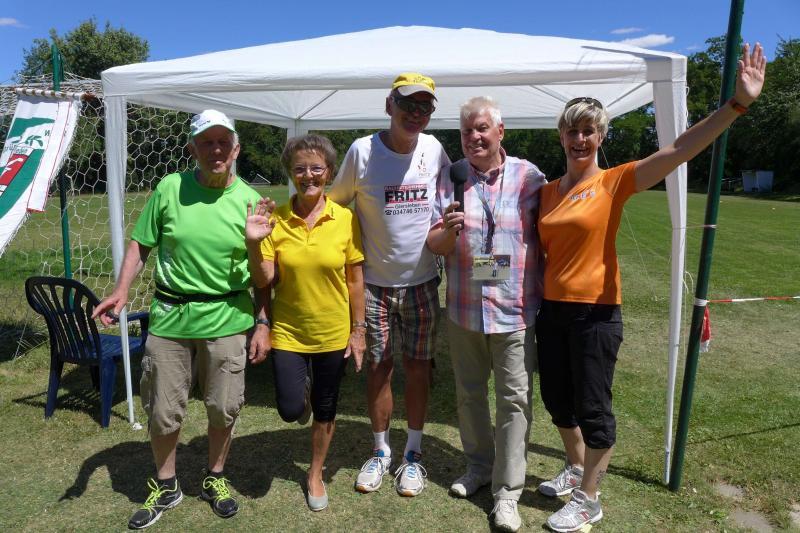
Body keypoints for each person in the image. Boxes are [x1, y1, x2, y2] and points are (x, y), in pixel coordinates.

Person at [535, 43, 766, 532]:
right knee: (557, 400)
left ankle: (589, 499)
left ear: (601, 136)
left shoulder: (614, 181)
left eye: (588, 130)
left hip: (596, 313)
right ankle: (575, 467)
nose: (580, 139)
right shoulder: (548, 191)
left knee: (593, 408)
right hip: (551, 311)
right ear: (561, 136)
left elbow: (678, 150)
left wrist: (737, 105)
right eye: (572, 130)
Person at [93, 109, 268, 529]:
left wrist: (263, 320)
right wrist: (121, 290)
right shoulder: (169, 188)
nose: (215, 150)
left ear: (236, 148)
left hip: (227, 318)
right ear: (192, 149)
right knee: (162, 410)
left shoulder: (250, 200)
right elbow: (141, 244)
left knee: (223, 407)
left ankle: (215, 477)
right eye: (206, 142)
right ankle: (167, 484)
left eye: (223, 142)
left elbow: (265, 276)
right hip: (170, 319)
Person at [427, 96, 546, 532]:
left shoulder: (529, 176)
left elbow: (551, 232)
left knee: (514, 401)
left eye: (481, 128)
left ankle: (507, 492)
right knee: (469, 395)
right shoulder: (450, 177)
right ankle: (478, 467)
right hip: (464, 310)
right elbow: (433, 243)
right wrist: (447, 231)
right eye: (466, 131)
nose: (474, 137)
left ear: (500, 131)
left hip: (514, 310)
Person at [328, 72, 450, 497]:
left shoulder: (434, 149)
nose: (415, 114)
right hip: (374, 287)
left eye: (424, 107)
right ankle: (380, 451)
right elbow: (335, 204)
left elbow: (450, 201)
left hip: (422, 283)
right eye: (407, 105)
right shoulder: (362, 151)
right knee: (379, 369)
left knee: (418, 369)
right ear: (388, 106)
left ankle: (413, 454)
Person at [245, 134, 366, 511]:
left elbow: (355, 278)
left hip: (332, 332)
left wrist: (358, 329)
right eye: (300, 168)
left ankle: (315, 473)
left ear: (329, 172)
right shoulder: (276, 219)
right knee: (290, 409)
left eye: (316, 168)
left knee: (326, 407)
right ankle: (304, 395)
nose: (308, 175)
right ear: (290, 173)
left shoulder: (344, 218)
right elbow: (264, 280)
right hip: (289, 332)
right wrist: (253, 243)